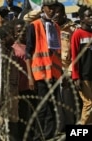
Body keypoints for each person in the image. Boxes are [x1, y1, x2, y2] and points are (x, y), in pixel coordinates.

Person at [25, 0, 62, 140]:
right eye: (49, 7)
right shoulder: (34, 26)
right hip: (40, 74)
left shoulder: (56, 27)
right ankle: (38, 137)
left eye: (54, 8)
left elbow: (56, 52)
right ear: (43, 8)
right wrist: (30, 76)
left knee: (52, 107)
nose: (52, 10)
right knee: (42, 108)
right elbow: (28, 53)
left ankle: (49, 135)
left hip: (54, 73)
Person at [52, 2, 80, 133]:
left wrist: (68, 73)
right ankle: (59, 127)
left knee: (68, 101)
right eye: (51, 11)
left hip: (66, 69)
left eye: (56, 12)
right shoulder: (49, 26)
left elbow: (76, 54)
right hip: (51, 69)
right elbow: (27, 18)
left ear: (63, 13)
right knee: (55, 102)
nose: (54, 15)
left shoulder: (72, 29)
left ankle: (71, 127)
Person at [71, 5, 92, 125]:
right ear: (82, 18)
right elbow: (74, 57)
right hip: (84, 76)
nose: (91, 18)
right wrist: (76, 76)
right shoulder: (77, 34)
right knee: (89, 103)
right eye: (89, 16)